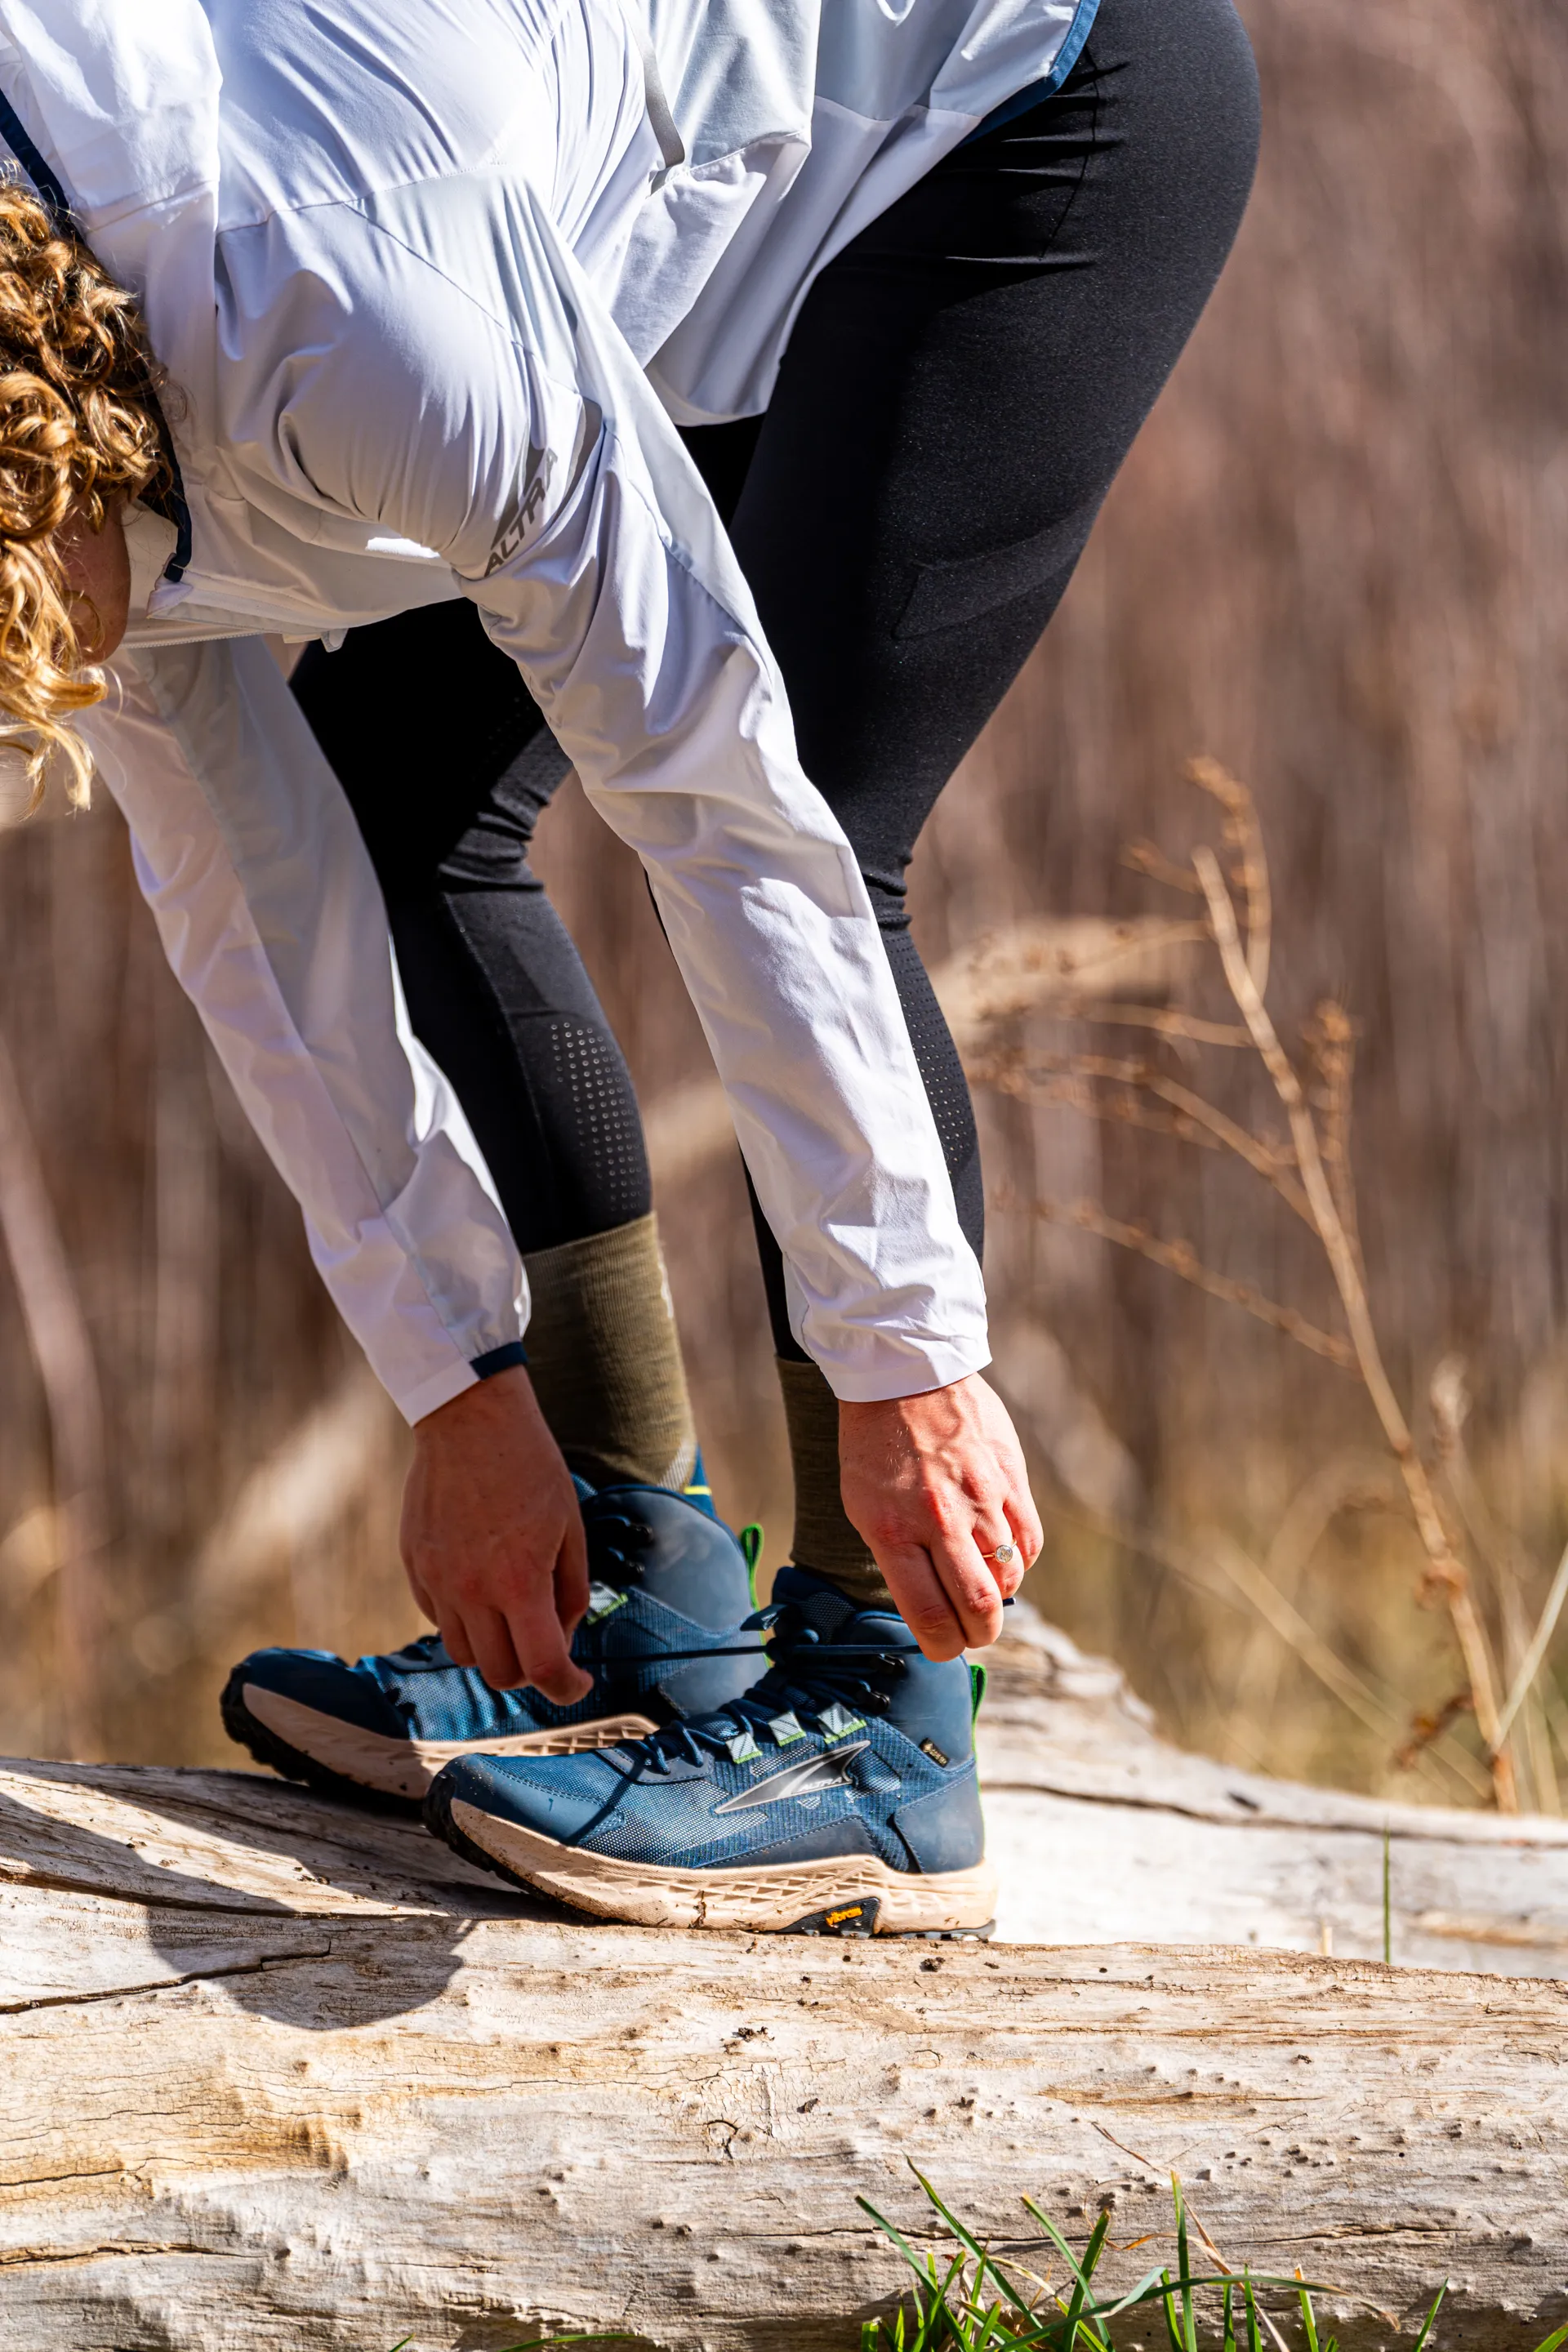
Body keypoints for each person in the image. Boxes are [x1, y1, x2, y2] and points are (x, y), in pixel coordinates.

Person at [0, 0, 1255, 1935]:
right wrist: (459, 1388)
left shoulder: (358, 296)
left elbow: (720, 802)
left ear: (71, 448)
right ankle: (626, 1599)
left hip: (1013, 94)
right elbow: (250, 893)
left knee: (829, 803)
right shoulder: (61, 366)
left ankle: (881, 1715)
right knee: (397, 804)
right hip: (652, 201)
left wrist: (904, 1354)